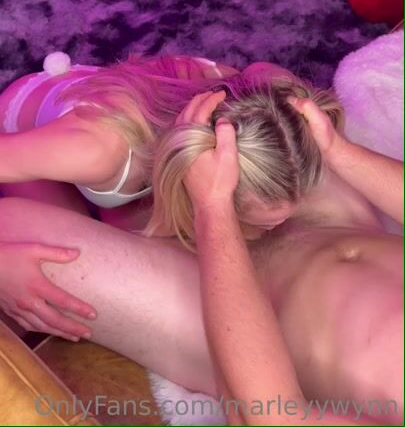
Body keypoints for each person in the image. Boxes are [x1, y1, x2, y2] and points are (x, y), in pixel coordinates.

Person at [0, 91, 402, 425]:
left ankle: (33, 130)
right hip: (339, 224)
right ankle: (56, 114)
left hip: (242, 333)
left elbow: (274, 417)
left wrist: (213, 209)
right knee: (272, 98)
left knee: (15, 236)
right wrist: (340, 152)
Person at [0, 52, 238, 226]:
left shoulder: (229, 84)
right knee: (73, 253)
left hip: (100, 91)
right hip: (23, 114)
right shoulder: (94, 151)